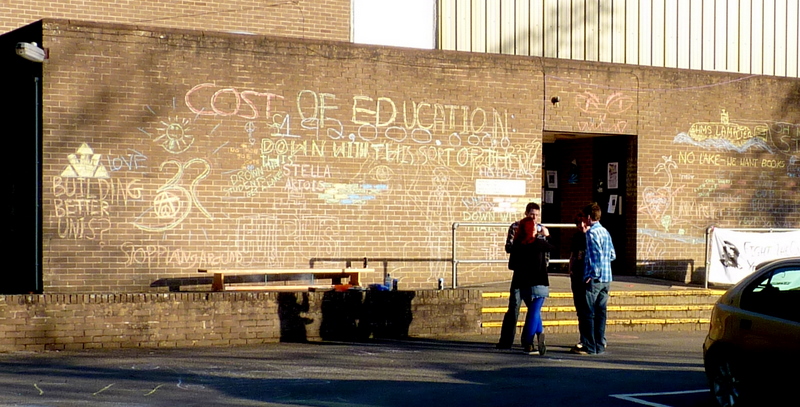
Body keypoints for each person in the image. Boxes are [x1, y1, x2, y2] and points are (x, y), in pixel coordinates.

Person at [495, 202, 548, 350]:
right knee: (514, 305)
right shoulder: (516, 227)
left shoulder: (540, 230)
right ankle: (506, 340)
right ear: (526, 213)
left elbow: (545, 253)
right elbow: (509, 247)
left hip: (534, 274)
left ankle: (528, 340)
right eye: (532, 214)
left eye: (537, 215)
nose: (534, 217)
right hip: (520, 272)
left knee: (533, 308)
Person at [512, 216, 556, 355]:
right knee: (534, 311)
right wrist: (547, 235)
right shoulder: (538, 243)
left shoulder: (517, 244)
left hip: (523, 283)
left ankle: (540, 333)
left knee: (533, 311)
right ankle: (528, 342)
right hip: (539, 282)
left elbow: (512, 264)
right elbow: (554, 247)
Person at [578, 202, 616, 355]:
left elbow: (596, 256)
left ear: (588, 217)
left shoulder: (591, 233)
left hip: (595, 279)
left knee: (588, 313)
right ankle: (600, 344)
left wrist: (592, 274)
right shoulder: (605, 231)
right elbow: (612, 255)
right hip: (607, 277)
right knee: (601, 313)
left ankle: (590, 346)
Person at [568, 212, 589, 354]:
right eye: (578, 224)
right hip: (576, 274)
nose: (581, 226)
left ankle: (589, 339)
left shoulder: (592, 236)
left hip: (587, 275)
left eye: (583, 223)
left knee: (588, 309)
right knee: (580, 309)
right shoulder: (576, 237)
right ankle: (584, 338)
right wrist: (570, 268)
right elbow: (573, 254)